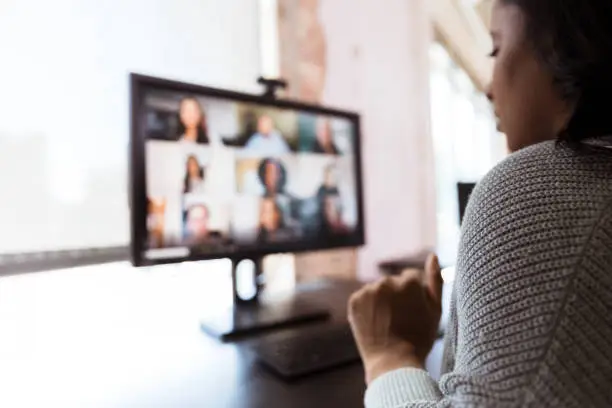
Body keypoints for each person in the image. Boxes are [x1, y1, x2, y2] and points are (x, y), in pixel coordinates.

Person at [348, 1, 612, 407]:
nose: (489, 87)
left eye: (496, 48)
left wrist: (389, 355)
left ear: (567, 49)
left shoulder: (534, 187)